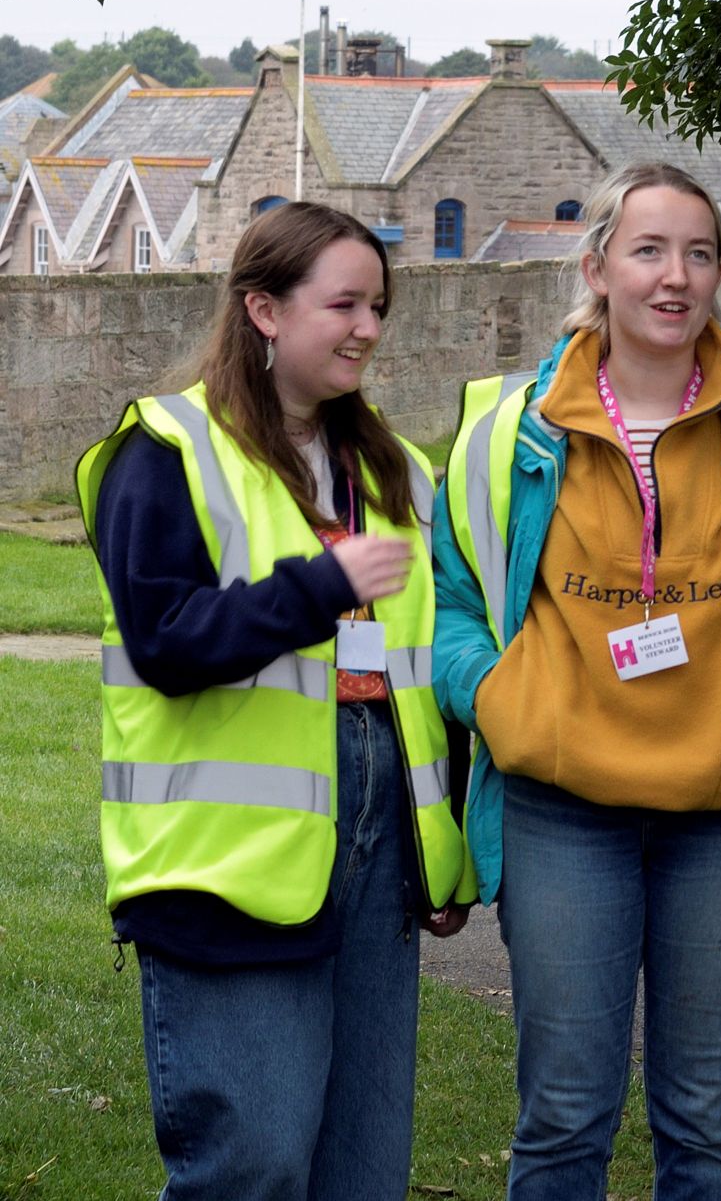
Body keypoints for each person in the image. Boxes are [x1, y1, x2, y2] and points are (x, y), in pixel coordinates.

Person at [432, 161, 721, 1199]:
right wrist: (502, 702)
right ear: (597, 264)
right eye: (648, 249)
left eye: (699, 253)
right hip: (561, 815)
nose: (675, 276)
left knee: (703, 1114)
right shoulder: (509, 432)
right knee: (562, 1112)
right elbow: (447, 604)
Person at [74, 201, 472, 1201]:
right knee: (249, 1167)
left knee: (362, 1169)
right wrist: (319, 588)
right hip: (225, 862)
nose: (368, 327)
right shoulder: (164, 450)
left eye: (378, 305)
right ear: (262, 307)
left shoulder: (398, 472)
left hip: (380, 857)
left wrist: (445, 848)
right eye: (343, 303)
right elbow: (166, 640)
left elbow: (422, 680)